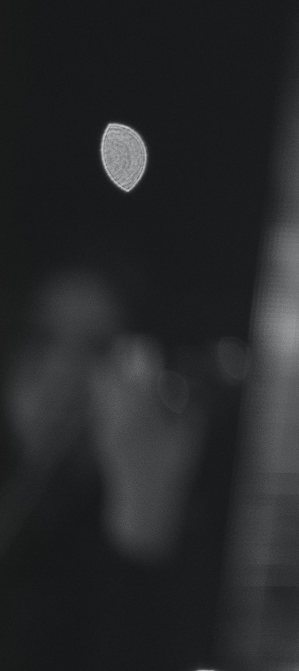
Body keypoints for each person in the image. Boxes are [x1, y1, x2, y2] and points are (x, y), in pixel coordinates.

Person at [0, 265, 210, 669]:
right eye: (41, 338)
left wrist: (141, 524)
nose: (61, 372)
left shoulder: (159, 521)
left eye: (98, 349)